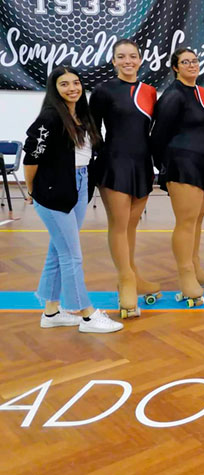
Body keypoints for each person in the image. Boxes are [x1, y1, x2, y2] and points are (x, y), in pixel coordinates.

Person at [23, 67, 122, 333]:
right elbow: (32, 157)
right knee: (72, 255)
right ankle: (86, 314)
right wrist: (33, 190)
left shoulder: (82, 115)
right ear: (54, 88)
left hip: (78, 186)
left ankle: (51, 312)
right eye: (64, 84)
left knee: (58, 251)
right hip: (53, 191)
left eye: (76, 83)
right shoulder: (50, 117)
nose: (72, 88)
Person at [89, 39, 160, 318]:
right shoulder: (104, 91)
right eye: (121, 56)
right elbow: (92, 131)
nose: (127, 60)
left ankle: (133, 274)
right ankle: (126, 282)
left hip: (143, 164)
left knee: (131, 225)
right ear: (114, 61)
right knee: (118, 225)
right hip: (114, 164)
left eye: (132, 56)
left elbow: (155, 131)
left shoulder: (150, 92)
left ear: (140, 60)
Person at [150, 48, 204, 307]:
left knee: (197, 222)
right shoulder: (172, 96)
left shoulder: (202, 92)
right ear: (175, 68)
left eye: (194, 60)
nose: (192, 65)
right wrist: (164, 167)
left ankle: (197, 268)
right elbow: (157, 136)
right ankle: (186, 276)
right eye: (185, 62)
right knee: (186, 223)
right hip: (183, 165)